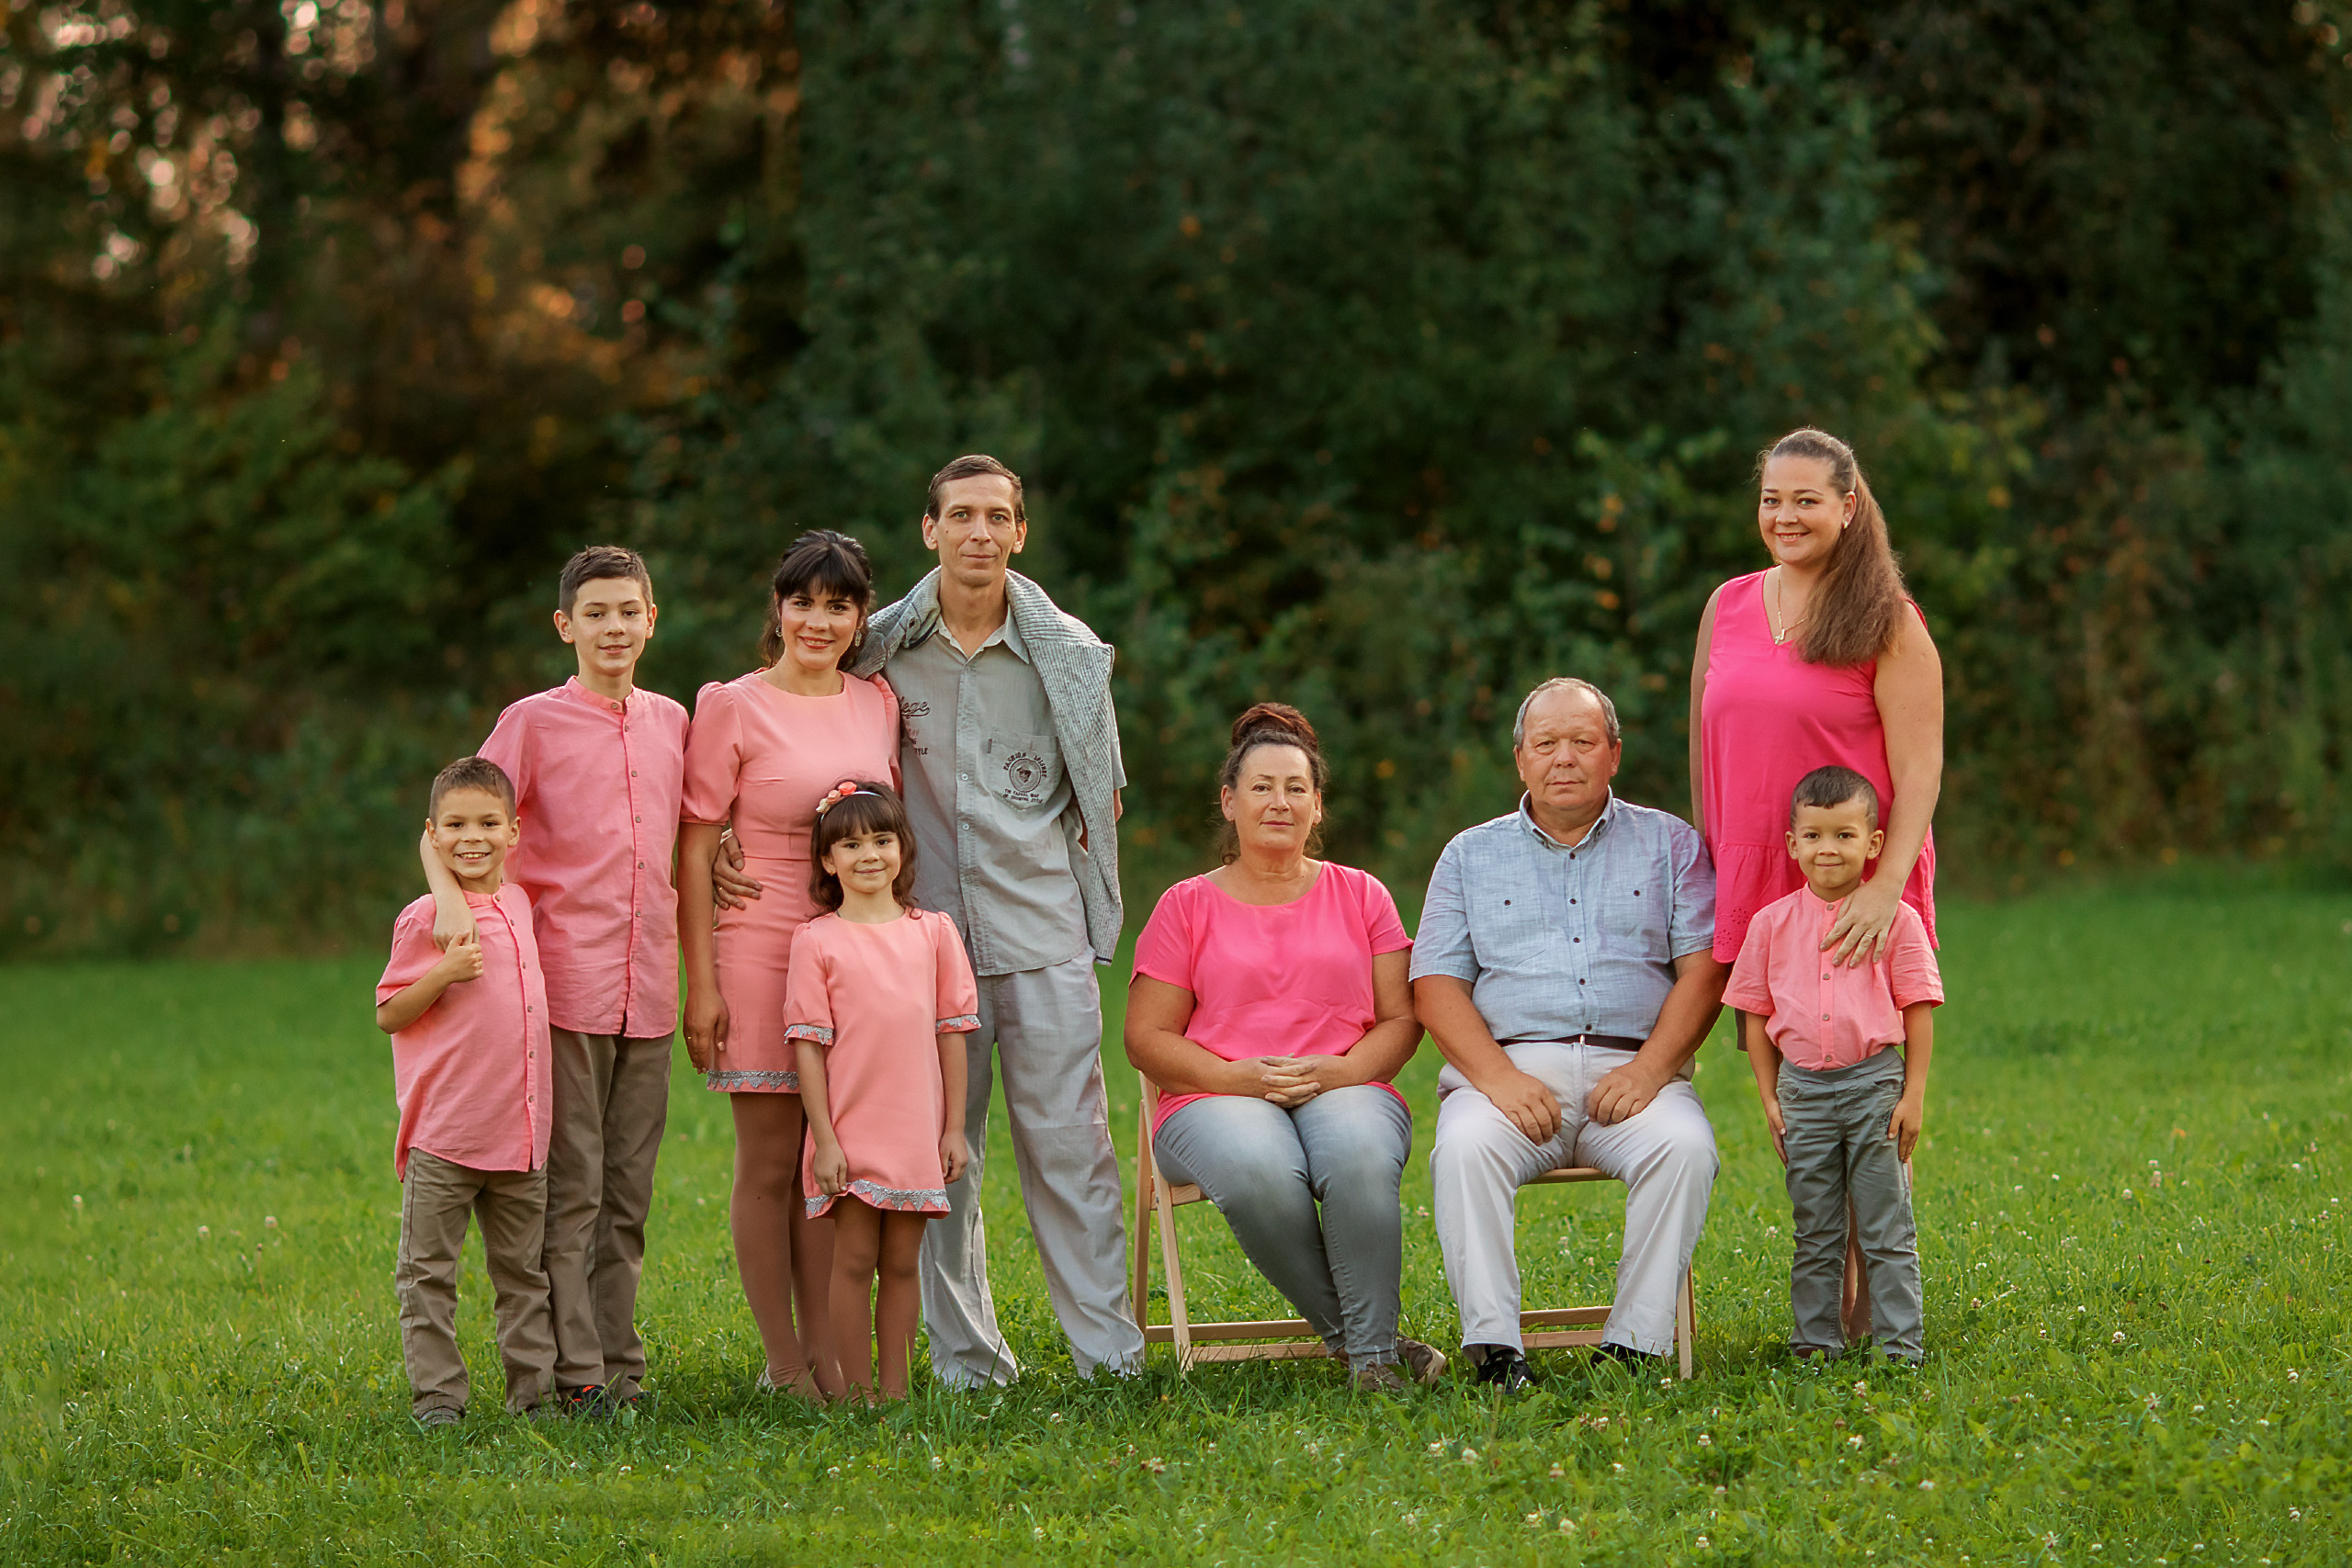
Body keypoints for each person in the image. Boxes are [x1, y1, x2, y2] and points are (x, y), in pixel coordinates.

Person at [848, 453, 1145, 1386]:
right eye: (960, 516)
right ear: (928, 530)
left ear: (1020, 534)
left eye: (996, 518)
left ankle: (1109, 1359)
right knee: (942, 1154)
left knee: (1070, 1149)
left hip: (1041, 931)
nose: (979, 533)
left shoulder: (1070, 655)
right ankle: (969, 1363)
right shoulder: (878, 649)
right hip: (922, 945)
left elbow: (1105, 796)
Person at [420, 545, 687, 1417]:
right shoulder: (531, 722)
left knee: (628, 1194)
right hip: (563, 987)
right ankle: (578, 1375)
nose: (614, 627)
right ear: (566, 625)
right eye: (596, 613)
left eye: (629, 612)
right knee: (572, 1190)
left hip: (648, 989)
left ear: (652, 620)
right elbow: (451, 820)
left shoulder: (673, 721)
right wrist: (448, 903)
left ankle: (623, 1364)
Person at [1690, 426, 1944, 1338]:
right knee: (1799, 1083)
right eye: (1771, 499)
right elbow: (1704, 746)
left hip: (1855, 881)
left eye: (1805, 499)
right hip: (1756, 879)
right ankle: (1821, 1310)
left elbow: (1918, 769)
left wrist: (1883, 889)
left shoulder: (1887, 618)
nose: (1784, 515)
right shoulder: (1725, 605)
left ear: (1847, 506)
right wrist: (1710, 867)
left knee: (1864, 1087)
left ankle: (1877, 1313)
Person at [1414, 678, 1725, 1391]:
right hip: (1509, 1071)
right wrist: (1497, 1078)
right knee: (1463, 1148)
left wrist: (1649, 1072)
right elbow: (1435, 985)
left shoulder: (1670, 842)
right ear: (1519, 758)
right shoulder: (1468, 855)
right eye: (1546, 743)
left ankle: (1635, 1347)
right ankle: (1495, 1351)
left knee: (1685, 1148)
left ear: (1613, 754)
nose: (1565, 758)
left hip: (1637, 1070)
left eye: (1583, 742)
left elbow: (1705, 973)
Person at [1125, 704, 1445, 1393]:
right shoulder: (1185, 905)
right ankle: (1369, 1346)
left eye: (1296, 787)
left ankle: (1372, 1362)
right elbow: (1144, 1037)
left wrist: (1348, 1068)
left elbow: (1402, 1017)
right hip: (1213, 1093)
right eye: (1263, 786)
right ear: (1229, 801)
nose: (1280, 801)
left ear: (1318, 805)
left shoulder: (1362, 894)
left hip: (1346, 1082)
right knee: (1258, 1165)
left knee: (1360, 1154)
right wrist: (1232, 1076)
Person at [678, 531, 901, 1401]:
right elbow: (695, 851)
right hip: (759, 943)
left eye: (838, 604)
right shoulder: (731, 705)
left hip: (854, 951)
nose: (818, 619)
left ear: (859, 616)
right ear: (778, 607)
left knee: (829, 1162)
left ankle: (833, 1353)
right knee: (772, 1161)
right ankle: (783, 1361)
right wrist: (703, 985)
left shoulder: (875, 700)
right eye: (802, 601)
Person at [1727, 767, 1940, 1363]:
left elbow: (1918, 1011)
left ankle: (1899, 1345)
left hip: (1875, 1085)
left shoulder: (1897, 921)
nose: (1828, 849)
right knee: (1816, 1227)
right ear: (1793, 843)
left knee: (1885, 1224)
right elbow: (1754, 1017)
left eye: (1845, 835)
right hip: (1803, 1092)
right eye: (1815, 835)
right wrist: (1771, 1098)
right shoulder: (1769, 926)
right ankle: (1816, 1343)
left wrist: (1913, 1093)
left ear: (1873, 843)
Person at [375, 757, 557, 1426]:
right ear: (433, 832)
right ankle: (439, 1397)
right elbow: (390, 1011)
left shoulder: (518, 903)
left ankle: (532, 1395)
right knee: (428, 1278)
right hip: (446, 1136)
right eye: (454, 825)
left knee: (524, 1279)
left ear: (513, 831)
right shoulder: (425, 917)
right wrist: (446, 970)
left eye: (486, 822)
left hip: (521, 1134)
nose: (470, 837)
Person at [788, 779, 979, 1401]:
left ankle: (895, 1394)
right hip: (850, 1129)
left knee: (902, 1262)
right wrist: (822, 1137)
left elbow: (952, 1035)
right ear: (826, 859)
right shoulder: (816, 940)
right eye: (849, 843)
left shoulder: (934, 932)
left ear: (903, 848)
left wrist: (952, 1127)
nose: (868, 854)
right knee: (852, 1260)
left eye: (881, 839)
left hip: (916, 1130)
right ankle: (854, 1392)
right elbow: (808, 1048)